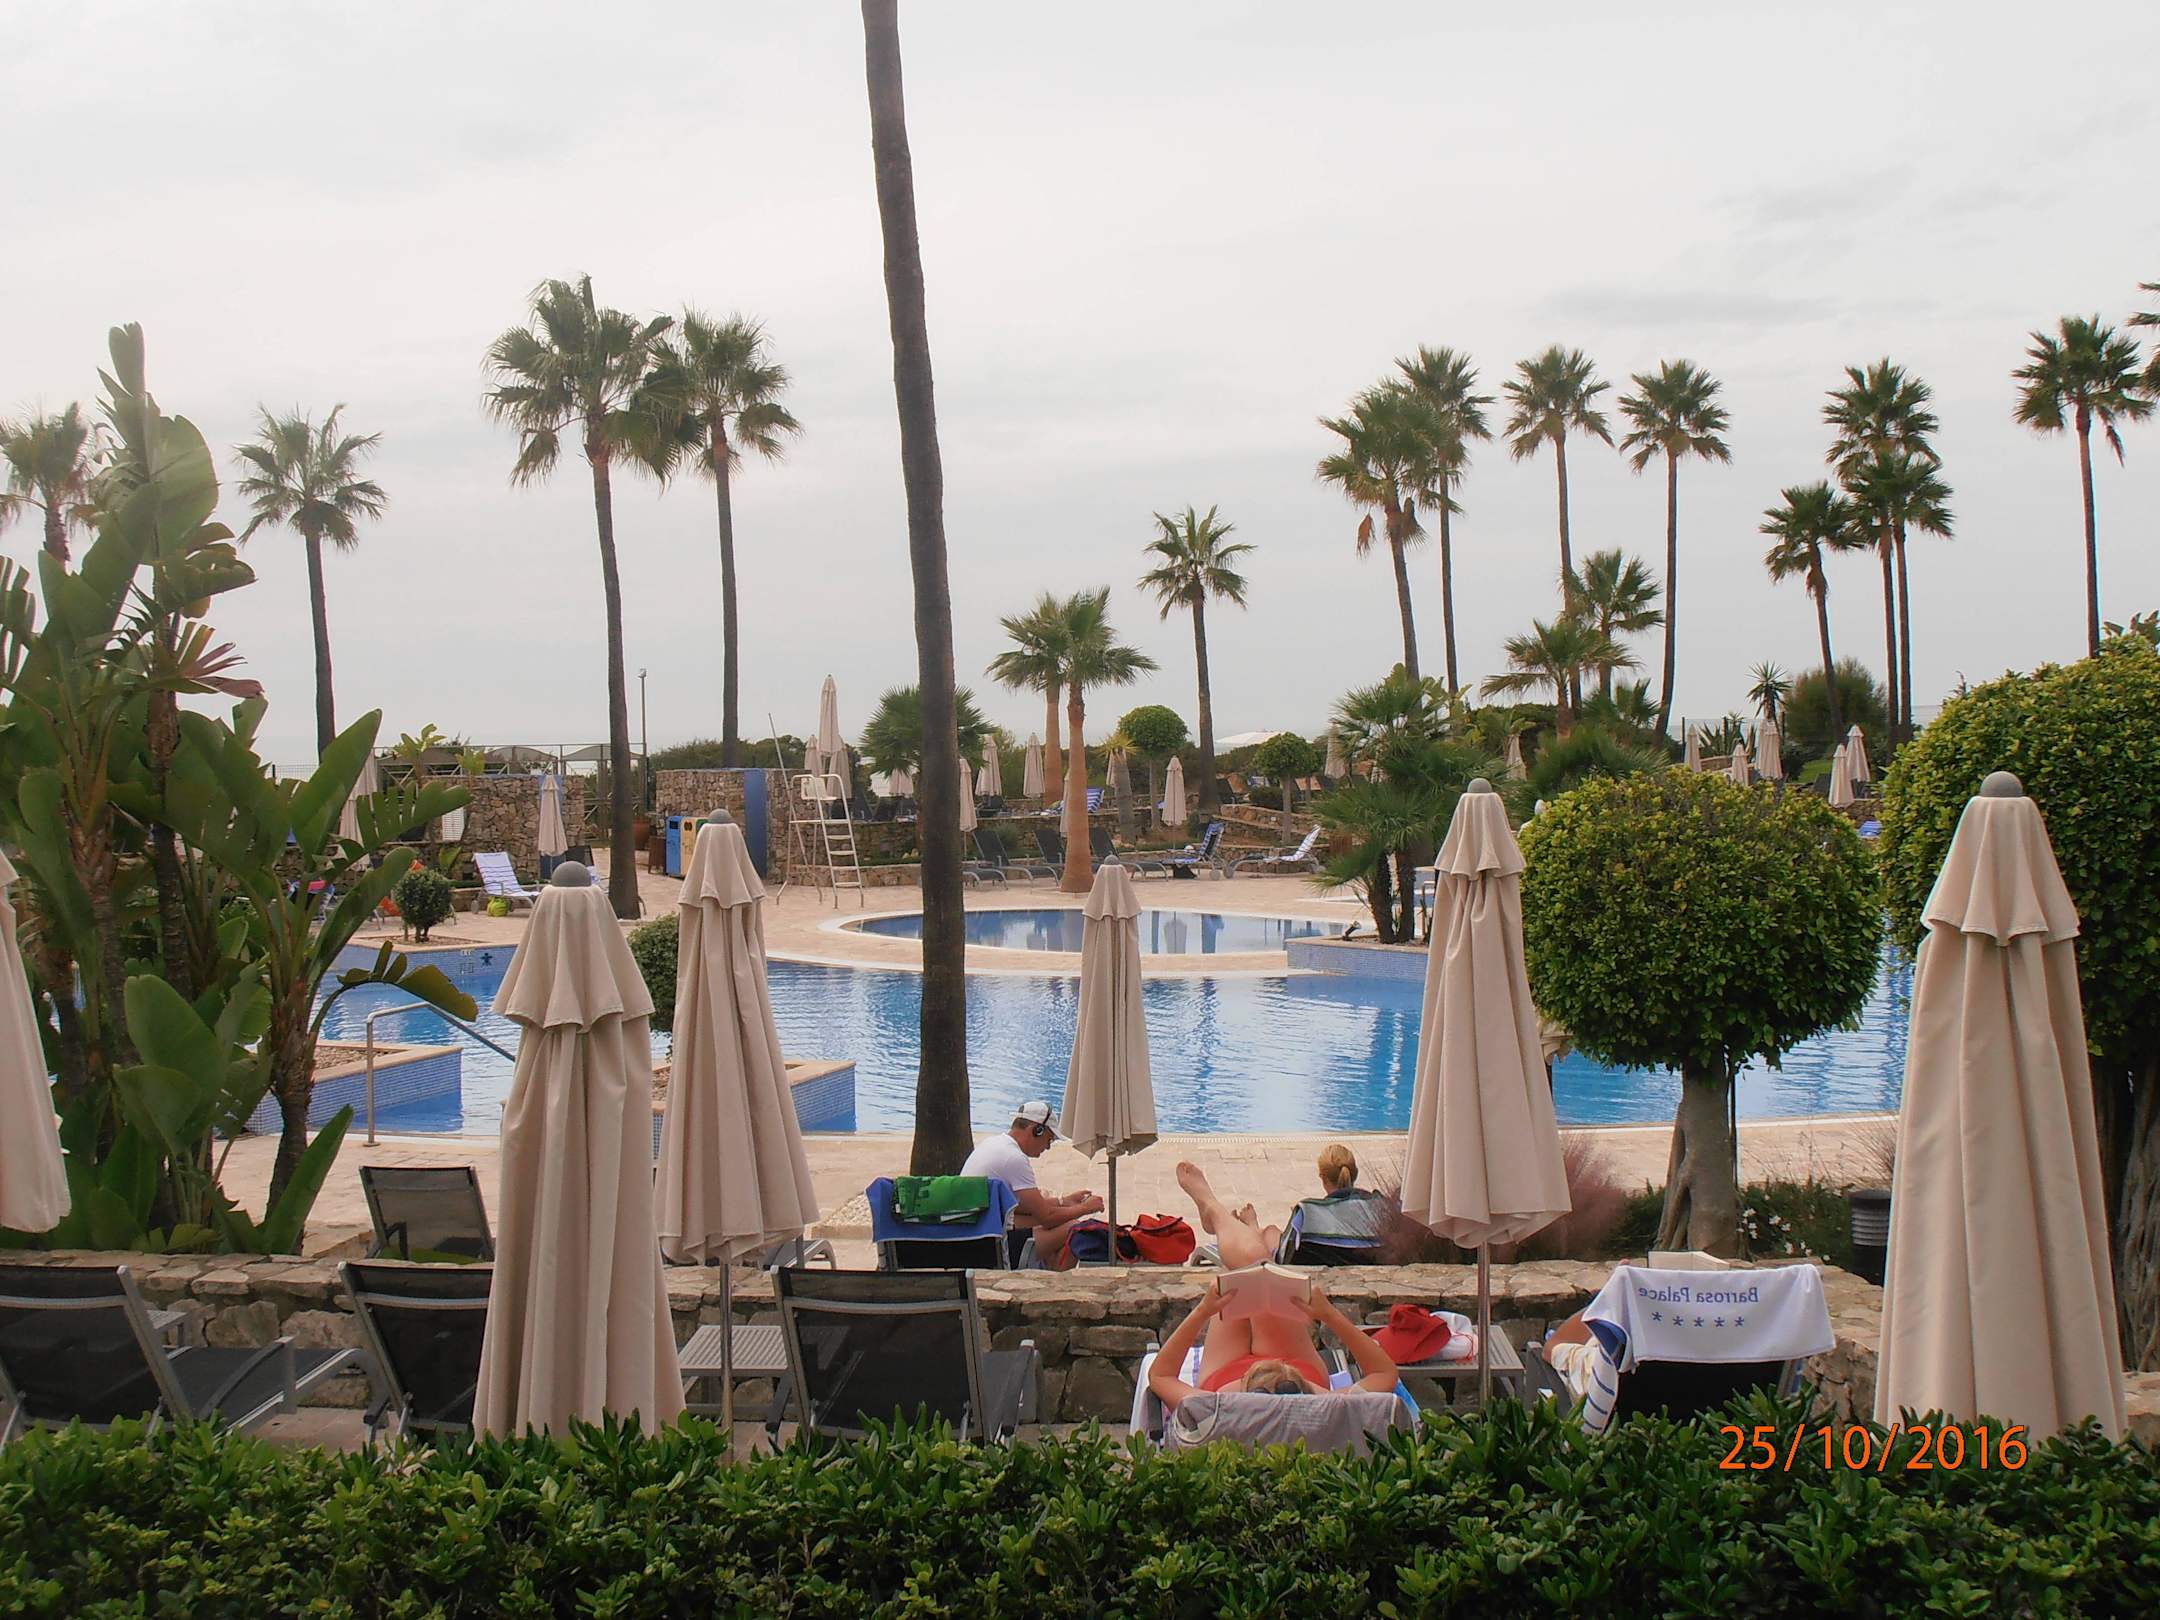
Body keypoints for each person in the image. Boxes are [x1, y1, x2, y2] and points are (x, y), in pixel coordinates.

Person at [1148, 1161, 1399, 1407]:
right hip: (1296, 1371)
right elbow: (1384, 1373)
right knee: (1256, 1267)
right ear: (1296, 1392)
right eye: (1286, 1391)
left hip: (1232, 1373)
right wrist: (1328, 1314)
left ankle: (1215, 1211)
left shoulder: (1213, 1407)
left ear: (1249, 1390)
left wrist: (1203, 1311)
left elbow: (1160, 1376)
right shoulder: (1320, 1406)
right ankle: (1229, 1221)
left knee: (1253, 1267)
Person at [958, 1101, 1102, 1269]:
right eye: (1049, 1139)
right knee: (1076, 1229)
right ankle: (1055, 1278)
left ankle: (1048, 1272)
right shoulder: (1014, 1158)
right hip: (992, 1248)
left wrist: (1064, 1202)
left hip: (974, 1236)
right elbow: (1047, 1218)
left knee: (1043, 1211)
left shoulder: (994, 1144)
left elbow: (1022, 1207)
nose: (1048, 1147)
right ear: (1037, 1130)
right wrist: (1085, 1208)